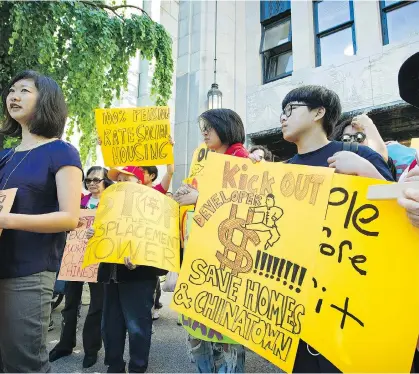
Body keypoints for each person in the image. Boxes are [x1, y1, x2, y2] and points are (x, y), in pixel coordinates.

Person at [276, 85, 394, 373]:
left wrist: (366, 172)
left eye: (291, 109)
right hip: (295, 303)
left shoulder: (357, 155)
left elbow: (397, 218)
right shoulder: (282, 171)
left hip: (348, 306)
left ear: (319, 112)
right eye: (282, 111)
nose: (282, 117)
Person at [0, 70, 82, 372]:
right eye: (11, 90)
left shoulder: (61, 152)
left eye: (24, 90)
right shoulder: (5, 156)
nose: (14, 96)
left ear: (46, 100)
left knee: (24, 363)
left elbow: (69, 217)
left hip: (29, 273)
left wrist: (7, 220)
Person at [174, 108, 248, 373]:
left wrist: (198, 198)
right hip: (204, 254)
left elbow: (243, 206)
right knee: (201, 328)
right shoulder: (213, 160)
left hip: (224, 261)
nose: (204, 132)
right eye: (202, 127)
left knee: (224, 335)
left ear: (227, 127)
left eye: (210, 127)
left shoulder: (240, 158)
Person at [91, 166, 167, 373]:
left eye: (127, 179)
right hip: (110, 275)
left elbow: (161, 244)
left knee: (138, 328)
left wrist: (140, 259)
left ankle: (137, 368)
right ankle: (114, 366)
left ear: (140, 182)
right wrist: (94, 234)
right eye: (119, 180)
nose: (122, 183)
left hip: (139, 278)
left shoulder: (154, 207)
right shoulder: (109, 206)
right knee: (110, 327)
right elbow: (102, 236)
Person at [49, 166, 113, 368]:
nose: (92, 183)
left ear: (106, 182)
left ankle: (91, 349)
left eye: (97, 180)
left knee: (96, 306)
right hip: (75, 259)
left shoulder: (112, 204)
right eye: (89, 180)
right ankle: (65, 344)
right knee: (70, 303)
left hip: (99, 260)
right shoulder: (79, 202)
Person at [332, 114, 399, 180]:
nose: (352, 141)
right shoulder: (334, 164)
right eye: (346, 138)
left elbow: (380, 158)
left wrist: (368, 125)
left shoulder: (383, 162)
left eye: (359, 137)